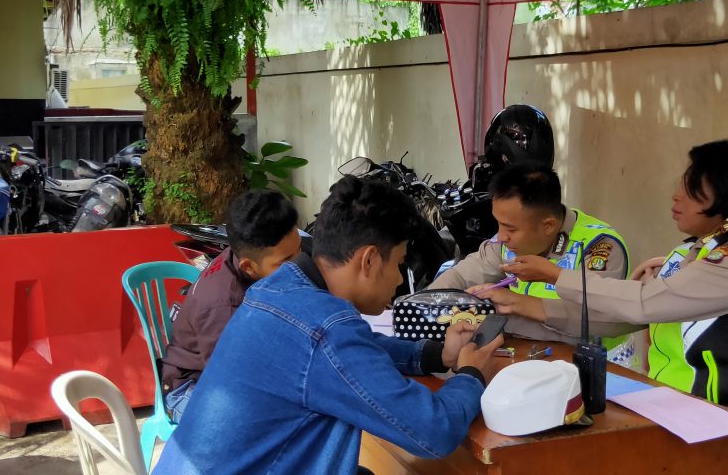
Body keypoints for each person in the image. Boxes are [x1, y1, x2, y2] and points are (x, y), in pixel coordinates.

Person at [477, 140, 728, 474]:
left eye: (691, 190)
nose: (675, 197)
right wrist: (526, 306)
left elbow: (642, 304)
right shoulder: (691, 252)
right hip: (699, 427)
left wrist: (557, 276)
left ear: (726, 197)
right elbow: (622, 320)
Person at [154, 176, 504, 475]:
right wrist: (470, 376)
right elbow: (434, 431)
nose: (399, 279)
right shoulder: (325, 328)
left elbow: (351, 351)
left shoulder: (277, 288)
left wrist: (438, 353)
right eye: (398, 263)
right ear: (368, 260)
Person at [429, 163, 636, 365]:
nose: (501, 237)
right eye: (498, 224)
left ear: (548, 226)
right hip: (527, 359)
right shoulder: (509, 241)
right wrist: (418, 305)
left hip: (592, 371)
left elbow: (592, 322)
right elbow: (463, 275)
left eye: (510, 229)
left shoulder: (598, 247)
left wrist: (512, 307)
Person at [159, 189, 302, 422]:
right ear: (248, 267)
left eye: (299, 251)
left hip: (230, 365)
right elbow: (228, 385)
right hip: (190, 387)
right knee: (263, 424)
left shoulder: (243, 253)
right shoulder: (224, 307)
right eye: (286, 262)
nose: (297, 266)